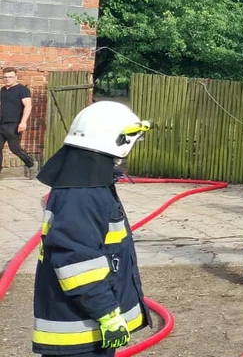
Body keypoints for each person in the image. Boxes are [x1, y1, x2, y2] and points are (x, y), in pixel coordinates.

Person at [32, 101, 152, 357]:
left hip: (85, 325)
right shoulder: (82, 194)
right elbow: (77, 262)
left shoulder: (86, 185)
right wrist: (107, 314)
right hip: (80, 331)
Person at [1, 67, 37, 178]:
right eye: (5, 77)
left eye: (10, 77)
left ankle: (31, 164)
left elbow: (28, 106)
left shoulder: (22, 90)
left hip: (14, 124)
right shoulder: (3, 90)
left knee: (14, 148)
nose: (7, 79)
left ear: (16, 77)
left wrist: (23, 122)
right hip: (1, 124)